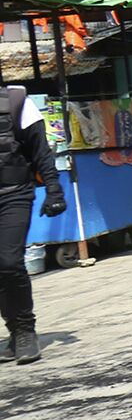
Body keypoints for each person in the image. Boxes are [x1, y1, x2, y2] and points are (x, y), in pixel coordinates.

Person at [0, 86, 64, 366]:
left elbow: (41, 152)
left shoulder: (15, 102)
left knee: (9, 262)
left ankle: (25, 330)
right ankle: (14, 331)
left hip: (13, 194)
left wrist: (54, 190)